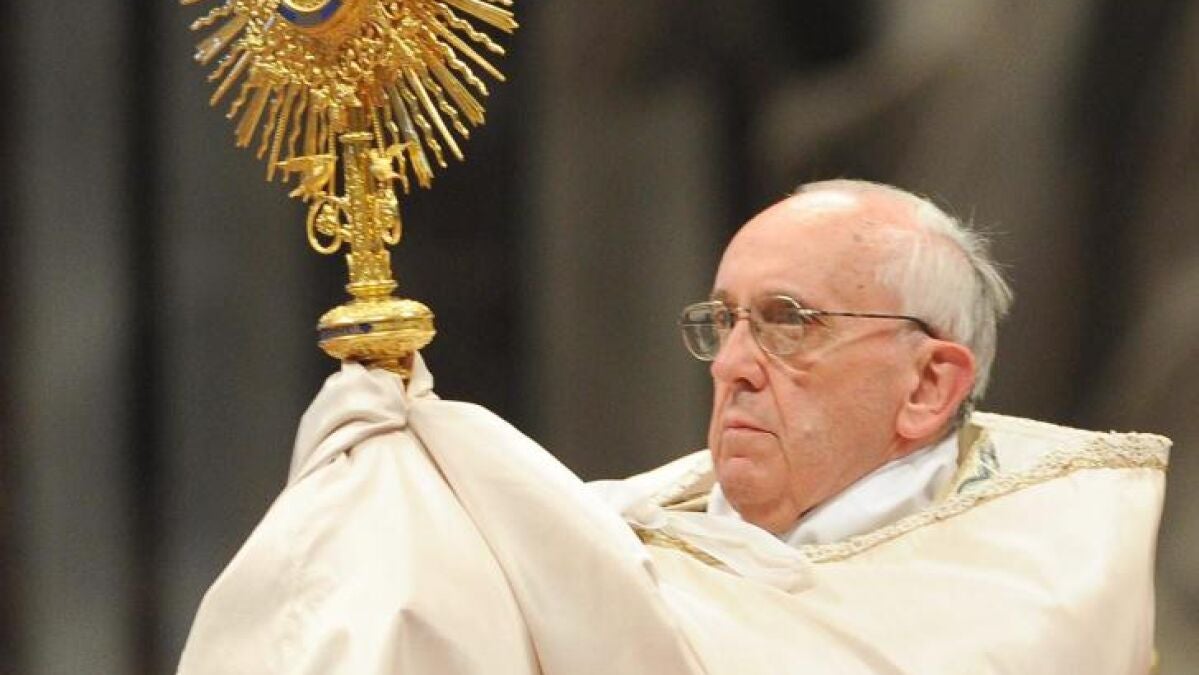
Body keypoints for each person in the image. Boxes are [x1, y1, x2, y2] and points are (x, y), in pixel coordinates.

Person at [178, 180, 1169, 674]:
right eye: (722, 321)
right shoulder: (603, 528)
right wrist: (389, 479)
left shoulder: (1044, 562)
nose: (733, 363)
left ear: (927, 384)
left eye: (787, 322)